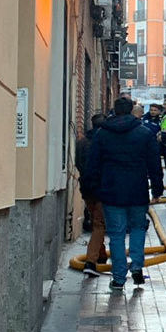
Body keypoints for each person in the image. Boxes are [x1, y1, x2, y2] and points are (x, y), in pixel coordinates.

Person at [86, 96, 163, 290]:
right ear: (131, 110)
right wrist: (157, 189)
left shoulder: (103, 134)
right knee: (138, 228)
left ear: (114, 110)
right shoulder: (144, 133)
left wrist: (93, 189)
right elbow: (154, 164)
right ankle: (136, 266)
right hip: (137, 190)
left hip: (111, 191)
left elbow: (92, 164)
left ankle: (119, 277)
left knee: (116, 234)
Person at [75, 113, 109, 276]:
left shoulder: (82, 142)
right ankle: (91, 261)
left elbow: (77, 163)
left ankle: (101, 256)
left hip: (86, 188)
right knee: (99, 224)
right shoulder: (106, 142)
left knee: (96, 222)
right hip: (102, 189)